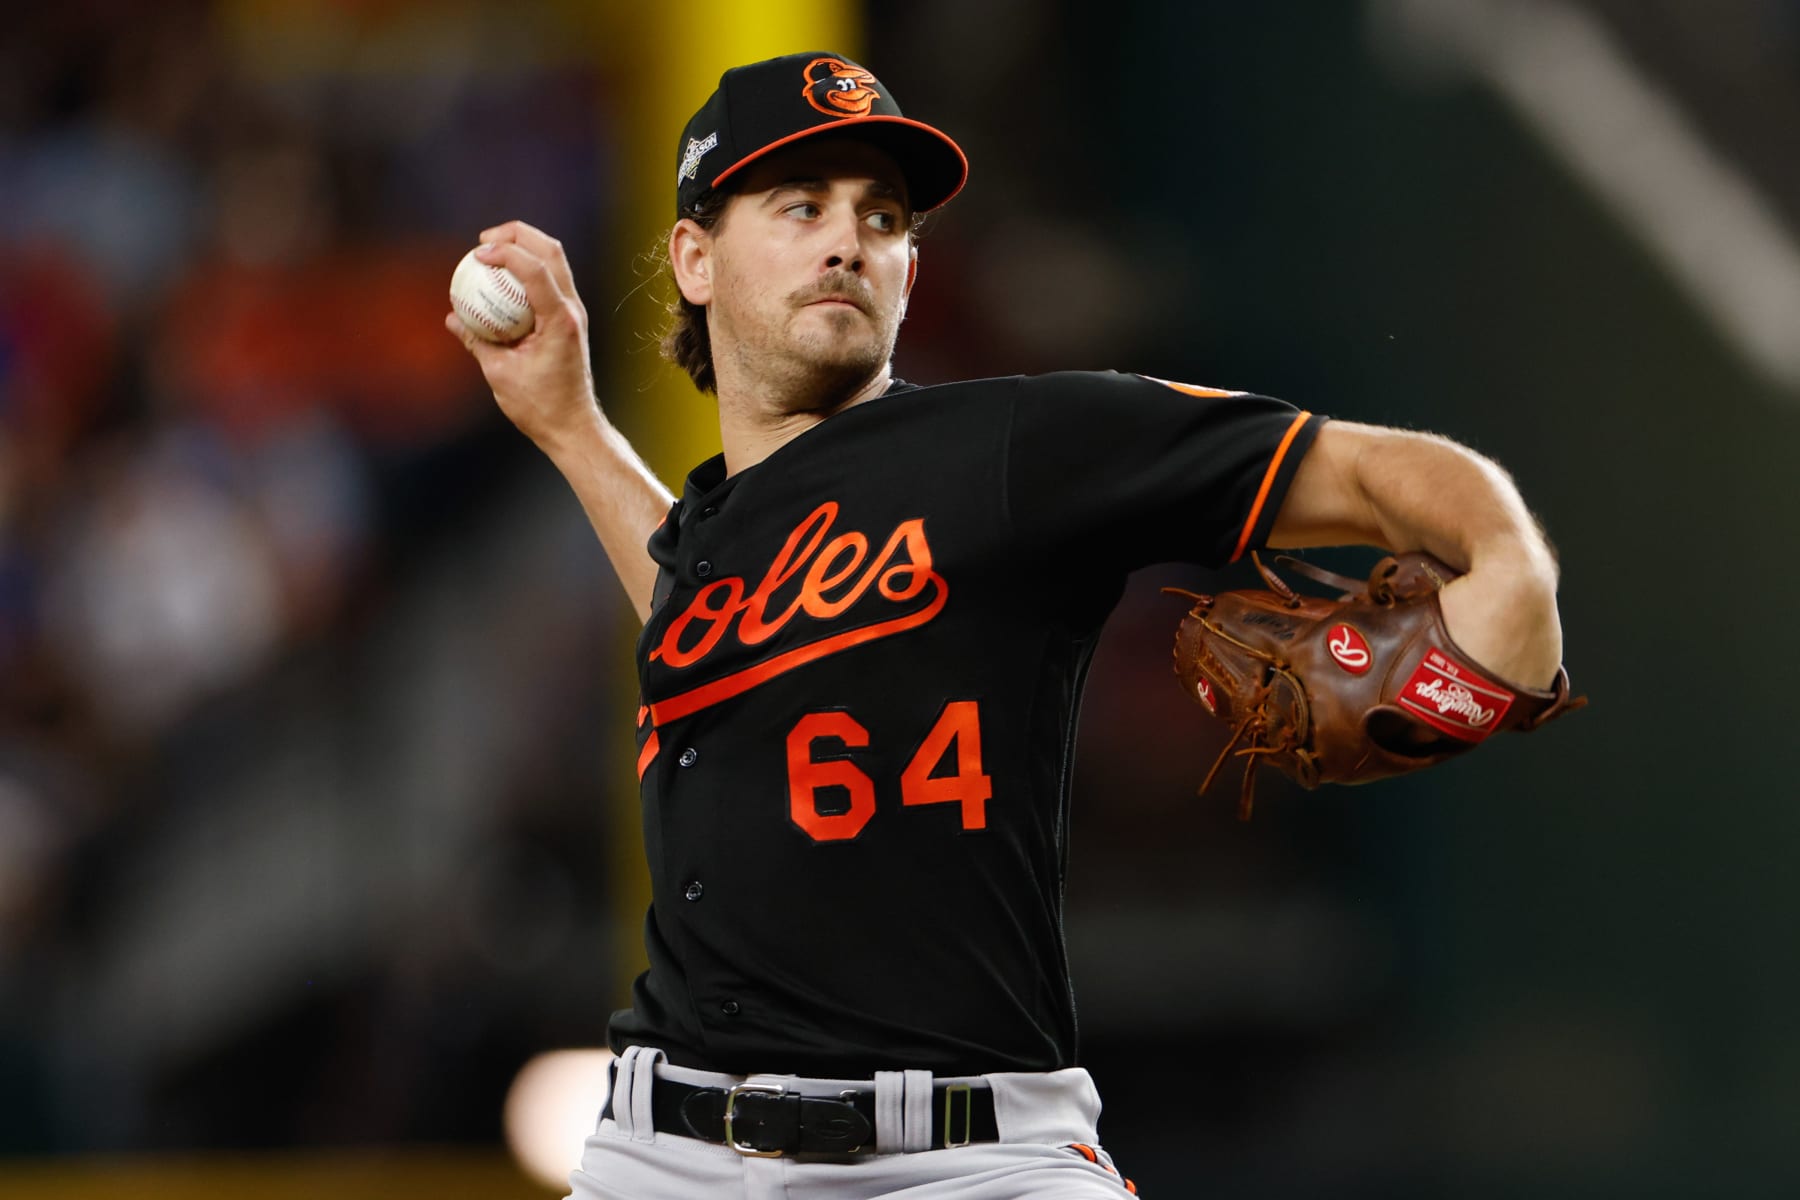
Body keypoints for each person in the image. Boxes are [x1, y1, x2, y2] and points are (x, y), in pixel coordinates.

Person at [447, 51, 1566, 1200]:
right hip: (665, 1148)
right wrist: (571, 427)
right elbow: (709, 628)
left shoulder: (1021, 448)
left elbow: (1404, 488)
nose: (849, 241)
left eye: (884, 217)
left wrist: (1507, 606)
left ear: (912, 272)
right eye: (801, 205)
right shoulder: (720, 543)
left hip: (967, 1159)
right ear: (695, 256)